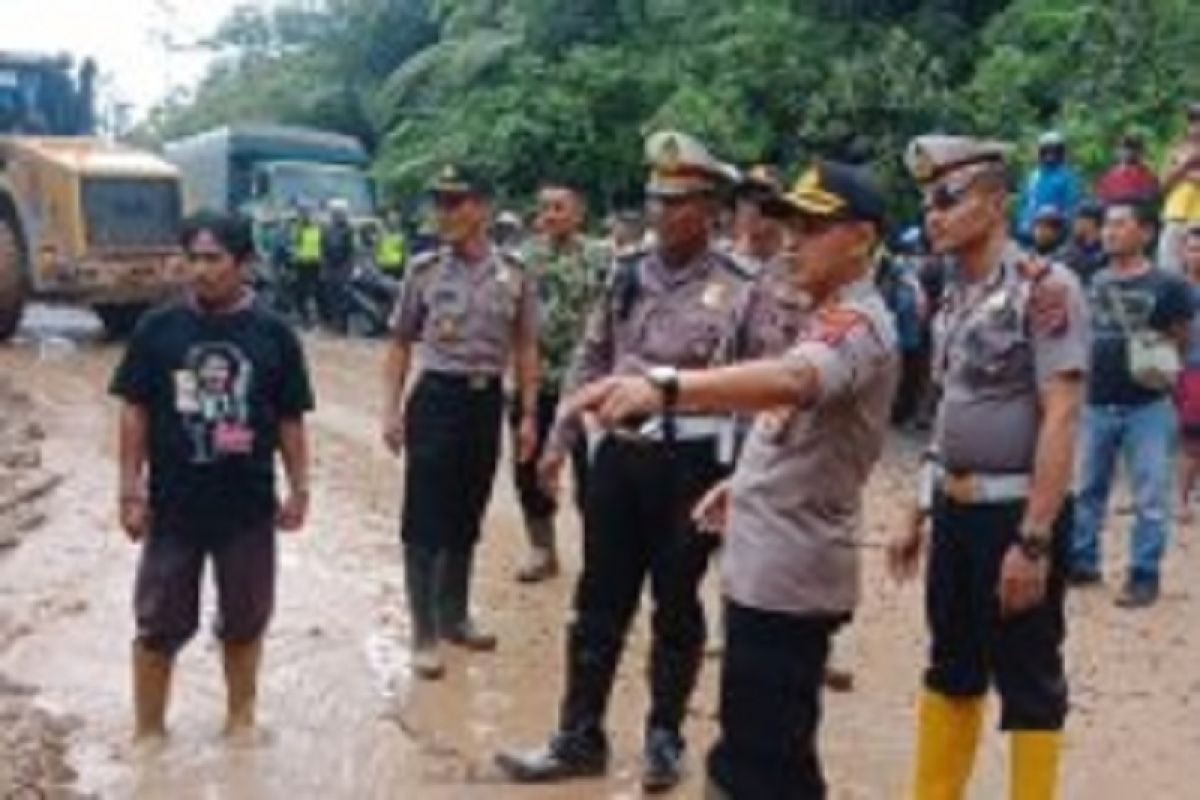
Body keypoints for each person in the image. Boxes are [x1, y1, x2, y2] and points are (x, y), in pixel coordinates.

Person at [559, 159, 900, 799]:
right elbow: (786, 424)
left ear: (861, 238)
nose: (793, 239)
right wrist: (743, 484)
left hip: (791, 572)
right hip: (767, 558)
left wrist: (665, 387)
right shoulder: (820, 312)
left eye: (815, 227)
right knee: (763, 754)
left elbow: (794, 381)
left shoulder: (857, 322)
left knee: (758, 765)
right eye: (791, 223)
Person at [495, 131, 751, 792]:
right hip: (619, 460)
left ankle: (664, 736)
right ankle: (579, 736)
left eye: (678, 201)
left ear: (712, 209)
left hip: (692, 464)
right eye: (654, 199)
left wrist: (740, 479)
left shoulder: (740, 286)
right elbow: (591, 356)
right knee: (598, 602)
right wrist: (560, 435)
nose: (662, 212)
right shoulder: (628, 272)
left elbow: (758, 388)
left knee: (676, 603)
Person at [890, 135, 1089, 800]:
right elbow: (949, 409)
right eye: (927, 201)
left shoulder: (1045, 288)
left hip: (1015, 511)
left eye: (948, 197)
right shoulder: (954, 294)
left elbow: (1061, 415)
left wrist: (1034, 539)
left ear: (997, 202)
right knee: (950, 666)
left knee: (1030, 676)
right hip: (955, 507)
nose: (934, 214)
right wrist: (918, 506)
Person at [110, 210, 314, 750]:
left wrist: (300, 489)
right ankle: (149, 729)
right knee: (157, 620)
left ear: (243, 263)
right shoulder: (158, 328)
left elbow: (291, 419)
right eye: (191, 258)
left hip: (248, 507)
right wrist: (129, 491)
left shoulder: (274, 335)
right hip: (172, 507)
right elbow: (134, 411)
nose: (199, 270)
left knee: (246, 618)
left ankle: (240, 720)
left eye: (212, 259)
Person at [381, 165, 539, 680]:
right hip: (436, 400)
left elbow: (526, 345)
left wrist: (529, 412)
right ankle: (424, 631)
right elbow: (401, 340)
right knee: (424, 516)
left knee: (468, 511)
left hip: (484, 402)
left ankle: (455, 615)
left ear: (482, 209)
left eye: (456, 202)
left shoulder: (515, 272)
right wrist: (390, 408)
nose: (444, 213)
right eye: (440, 203)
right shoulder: (424, 271)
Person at [1068, 200, 1193, 607]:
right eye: (1107, 224)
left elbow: (1181, 339)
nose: (1109, 231)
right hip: (1096, 401)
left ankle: (1144, 574)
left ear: (1146, 233)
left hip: (1149, 406)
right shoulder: (1093, 278)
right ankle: (1083, 562)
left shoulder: (1169, 286)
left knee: (1149, 496)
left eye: (1120, 224)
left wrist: (1155, 364)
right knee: (1088, 488)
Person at [509, 182, 608, 583]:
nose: (550, 215)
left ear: (579, 212)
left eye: (559, 207)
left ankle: (598, 559)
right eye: (545, 207)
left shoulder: (602, 257)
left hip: (588, 387)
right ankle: (542, 550)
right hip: (536, 383)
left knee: (595, 477)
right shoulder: (521, 260)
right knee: (529, 468)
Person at [1174, 227, 1200, 524]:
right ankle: (1181, 502)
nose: (1198, 255)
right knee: (1192, 441)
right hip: (1190, 370)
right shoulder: (1175, 288)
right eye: (1193, 248)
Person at [1016, 131, 1083, 243]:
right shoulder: (1033, 176)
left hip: (1055, 230)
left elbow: (1071, 204)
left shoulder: (1067, 177)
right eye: (1046, 151)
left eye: (1054, 151)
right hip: (1029, 231)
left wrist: (1062, 226)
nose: (1050, 155)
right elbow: (1024, 203)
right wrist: (1023, 224)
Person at [1158, 103, 1200, 272]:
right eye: (1193, 121)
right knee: (1169, 269)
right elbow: (1162, 184)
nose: (1196, 126)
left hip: (1198, 218)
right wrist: (1186, 165)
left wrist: (1183, 173)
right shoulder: (1176, 149)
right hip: (1175, 215)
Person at [728, 165, 786, 277]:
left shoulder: (783, 270)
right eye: (746, 195)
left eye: (765, 204)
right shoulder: (714, 251)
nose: (752, 208)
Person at [321, 199, 357, 331]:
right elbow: (323, 250)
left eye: (339, 212)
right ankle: (334, 324)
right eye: (335, 212)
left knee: (344, 296)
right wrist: (324, 268)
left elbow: (351, 251)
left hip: (343, 266)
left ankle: (343, 325)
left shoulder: (348, 229)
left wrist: (349, 268)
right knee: (331, 296)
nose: (337, 215)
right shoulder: (327, 229)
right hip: (330, 266)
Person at [1095, 133, 1160, 205]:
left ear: (1138, 152)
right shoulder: (1107, 176)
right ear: (1115, 151)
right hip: (1112, 211)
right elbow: (1100, 199)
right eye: (1121, 148)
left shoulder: (1147, 174)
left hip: (1137, 210)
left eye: (1129, 148)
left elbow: (1151, 196)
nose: (1125, 152)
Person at [1059, 200, 1107, 287]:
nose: (1074, 223)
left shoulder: (1109, 251)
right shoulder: (1065, 253)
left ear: (1090, 222)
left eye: (1078, 219)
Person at [290, 207, 323, 327]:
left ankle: (310, 319)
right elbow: (293, 246)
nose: (304, 217)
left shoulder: (311, 229)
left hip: (311, 264)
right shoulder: (300, 229)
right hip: (304, 264)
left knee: (308, 293)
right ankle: (308, 319)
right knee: (304, 293)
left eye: (304, 215)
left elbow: (294, 246)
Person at [375, 209, 408, 277]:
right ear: (387, 220)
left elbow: (405, 253)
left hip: (397, 268)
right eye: (391, 219)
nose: (393, 221)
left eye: (395, 220)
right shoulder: (381, 234)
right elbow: (376, 250)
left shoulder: (401, 235)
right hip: (384, 268)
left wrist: (406, 269)